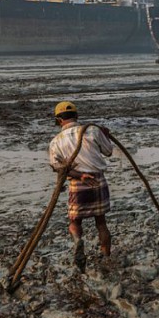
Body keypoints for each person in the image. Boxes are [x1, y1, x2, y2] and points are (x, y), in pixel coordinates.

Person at [49, 101, 114, 272]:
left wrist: (80, 175)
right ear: (77, 116)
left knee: (74, 221)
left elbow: (57, 168)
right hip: (97, 180)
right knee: (101, 222)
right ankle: (106, 256)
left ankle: (78, 241)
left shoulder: (56, 141)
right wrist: (105, 136)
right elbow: (108, 151)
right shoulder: (92, 130)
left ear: (58, 120)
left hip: (77, 183)